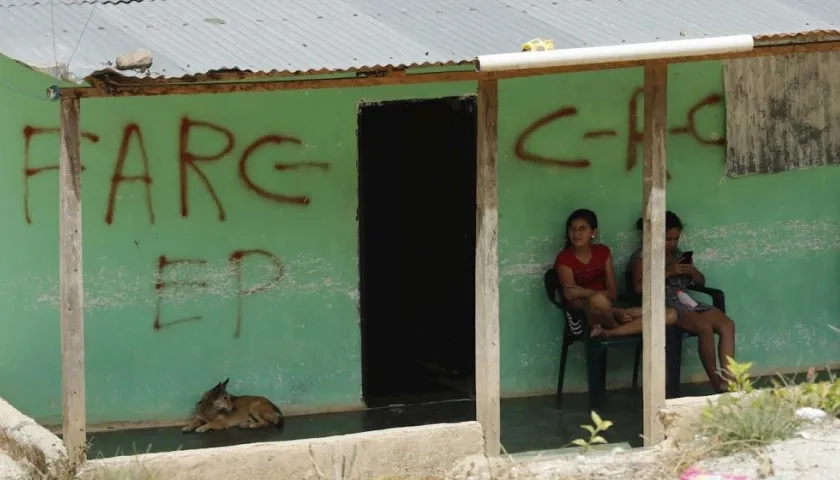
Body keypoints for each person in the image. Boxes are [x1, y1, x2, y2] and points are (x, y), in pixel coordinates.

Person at [629, 211, 736, 393]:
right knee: (704, 327)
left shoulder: (678, 254)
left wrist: (692, 271)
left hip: (687, 301)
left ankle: (730, 379)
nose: (671, 243)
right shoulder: (642, 256)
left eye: (675, 239)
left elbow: (700, 282)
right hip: (666, 306)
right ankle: (716, 381)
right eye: (667, 239)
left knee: (727, 324)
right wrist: (668, 272)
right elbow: (639, 288)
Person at [555, 208, 676, 338]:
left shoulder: (603, 252)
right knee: (597, 300)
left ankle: (611, 332)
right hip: (584, 316)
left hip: (610, 310)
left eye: (582, 229)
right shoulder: (564, 259)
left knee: (670, 314)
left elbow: (612, 294)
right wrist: (598, 302)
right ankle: (619, 327)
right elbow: (574, 301)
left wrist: (584, 292)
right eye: (572, 229)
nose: (576, 233)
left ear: (593, 232)